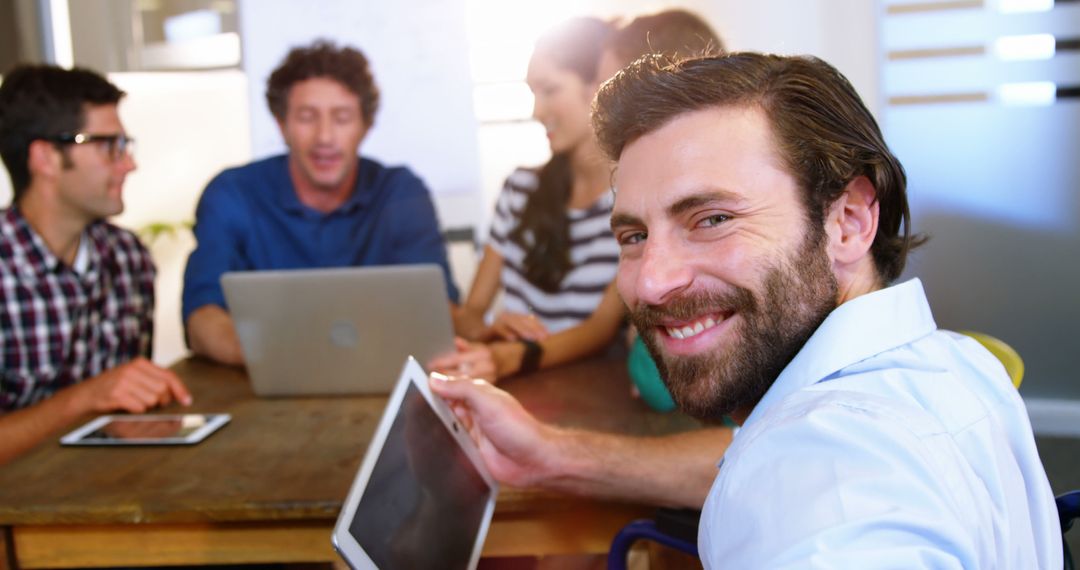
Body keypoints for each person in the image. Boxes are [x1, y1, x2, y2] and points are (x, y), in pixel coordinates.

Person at [431, 52, 1062, 567]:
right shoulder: (955, 364)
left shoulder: (825, 483)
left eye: (712, 219)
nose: (651, 282)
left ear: (847, 221)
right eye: (633, 237)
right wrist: (549, 454)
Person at [183, 40, 459, 366]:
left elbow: (438, 309)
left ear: (366, 126)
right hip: (259, 384)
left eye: (342, 118)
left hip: (381, 381)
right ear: (281, 124)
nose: (324, 137)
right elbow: (201, 318)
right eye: (306, 117)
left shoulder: (400, 192)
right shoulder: (232, 194)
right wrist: (273, 358)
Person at [0, 64, 192, 465]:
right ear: (46, 158)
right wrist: (83, 400)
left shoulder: (128, 258)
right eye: (110, 146)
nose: (128, 164)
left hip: (111, 498)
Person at [439, 17, 623, 382]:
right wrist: (488, 331)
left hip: (592, 393)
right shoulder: (519, 189)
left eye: (550, 90)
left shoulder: (633, 204)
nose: (537, 112)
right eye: (533, 93)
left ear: (600, 86)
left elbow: (599, 329)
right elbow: (471, 314)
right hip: (513, 384)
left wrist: (512, 357)